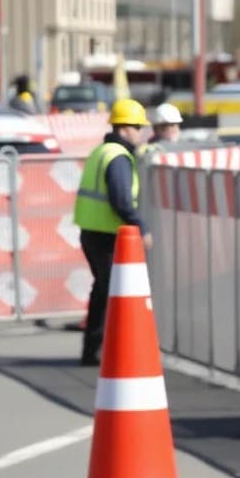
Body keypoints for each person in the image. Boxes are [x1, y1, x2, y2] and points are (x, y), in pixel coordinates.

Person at [72, 98, 153, 366]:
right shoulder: (118, 157)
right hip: (106, 235)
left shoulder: (101, 151)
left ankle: (94, 349)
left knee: (103, 289)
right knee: (109, 291)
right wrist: (141, 227)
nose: (141, 133)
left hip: (91, 232)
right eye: (138, 127)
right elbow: (121, 200)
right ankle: (99, 351)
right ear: (125, 128)